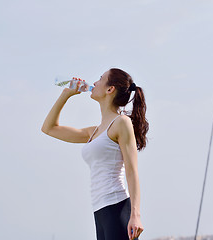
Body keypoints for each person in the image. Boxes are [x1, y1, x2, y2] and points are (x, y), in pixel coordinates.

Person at [41, 68, 149, 240]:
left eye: (100, 79)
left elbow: (131, 170)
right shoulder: (94, 132)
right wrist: (65, 94)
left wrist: (136, 214)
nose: (95, 82)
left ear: (110, 89)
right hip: (100, 210)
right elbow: (48, 128)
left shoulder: (121, 122)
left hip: (117, 206)